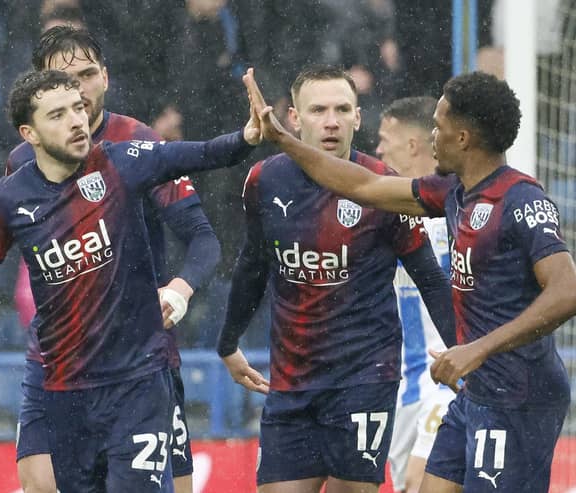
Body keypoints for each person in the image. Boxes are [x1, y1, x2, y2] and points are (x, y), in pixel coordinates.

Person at [244, 68, 576, 493]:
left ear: (463, 138)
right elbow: (366, 185)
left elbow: (566, 291)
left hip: (519, 394)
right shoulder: (453, 192)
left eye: (437, 127)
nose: (430, 137)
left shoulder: (521, 199)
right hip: (476, 390)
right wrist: (284, 140)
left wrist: (477, 348)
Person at [0, 69, 260, 491]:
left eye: (79, 109)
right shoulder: (9, 199)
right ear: (29, 133)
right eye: (58, 114)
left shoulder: (121, 162)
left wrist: (246, 136)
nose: (77, 121)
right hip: (65, 391)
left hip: (137, 382)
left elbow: (202, 153)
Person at [217, 66, 455, 493]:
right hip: (292, 383)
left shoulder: (384, 186)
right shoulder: (264, 181)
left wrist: (465, 348)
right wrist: (228, 342)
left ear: (358, 118)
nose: (331, 120)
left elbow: (430, 279)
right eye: (319, 110)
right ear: (294, 118)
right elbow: (253, 265)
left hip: (365, 377)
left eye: (343, 109)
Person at [6, 26, 220, 493]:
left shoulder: (138, 142)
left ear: (106, 76)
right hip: (57, 359)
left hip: (139, 360)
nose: (78, 90)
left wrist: (180, 290)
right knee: (40, 483)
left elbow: (203, 238)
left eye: (87, 74)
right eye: (63, 81)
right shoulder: (21, 161)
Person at [376, 96, 455, 493]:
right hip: (402, 393)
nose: (378, 148)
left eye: (384, 138)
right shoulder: (383, 216)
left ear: (412, 146)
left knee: (422, 482)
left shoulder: (461, 210)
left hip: (446, 380)